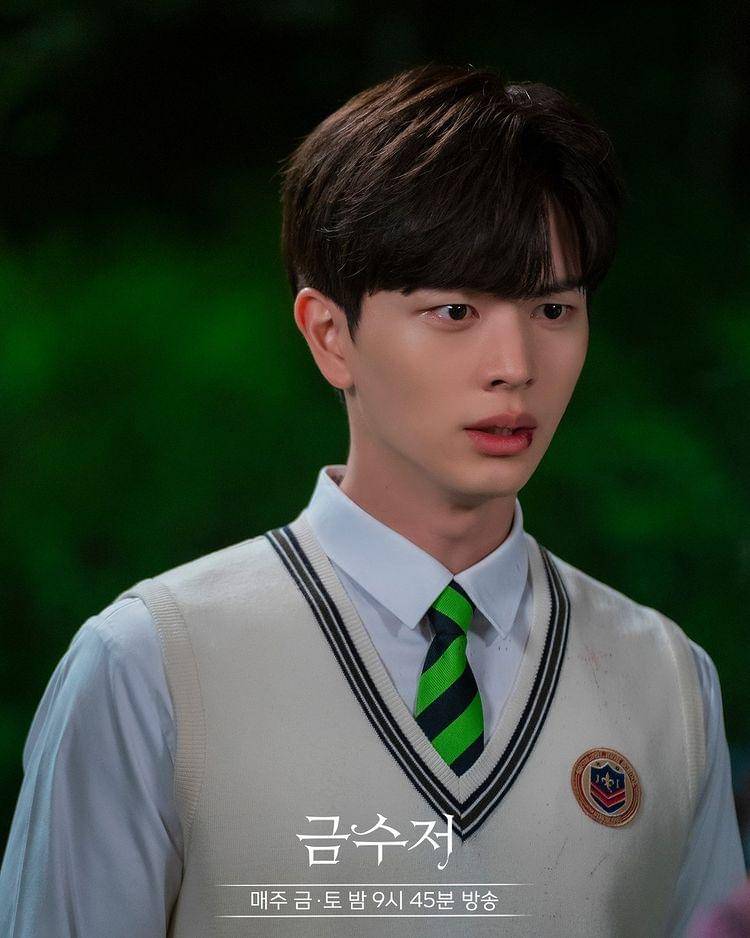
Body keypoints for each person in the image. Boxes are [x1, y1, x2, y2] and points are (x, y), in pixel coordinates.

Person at [0, 63, 746, 937]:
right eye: (455, 311)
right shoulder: (152, 666)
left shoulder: (666, 678)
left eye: (553, 309)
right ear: (330, 335)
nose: (515, 366)